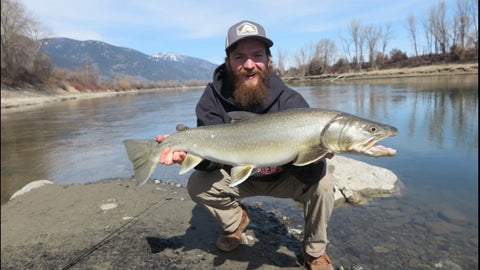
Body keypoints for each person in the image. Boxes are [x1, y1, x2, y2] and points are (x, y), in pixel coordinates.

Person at [156, 20, 335, 270]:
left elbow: (309, 172)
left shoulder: (292, 102)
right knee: (198, 184)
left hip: (283, 176)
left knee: (324, 183)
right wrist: (188, 154)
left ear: (269, 60)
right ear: (228, 61)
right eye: (240, 57)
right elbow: (211, 162)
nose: (249, 65)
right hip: (239, 177)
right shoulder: (212, 99)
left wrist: (314, 157)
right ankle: (236, 221)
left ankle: (314, 252)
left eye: (257, 56)